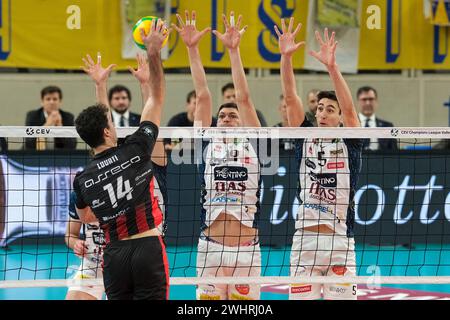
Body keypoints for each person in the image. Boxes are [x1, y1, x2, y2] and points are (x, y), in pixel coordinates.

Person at [73, 20, 169, 300]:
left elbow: (87, 217)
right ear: (107, 130)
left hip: (113, 255)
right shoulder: (136, 149)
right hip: (147, 247)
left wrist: (100, 85)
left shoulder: (83, 179)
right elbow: (158, 98)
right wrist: (153, 52)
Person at [173, 10, 262, 300]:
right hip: (210, 248)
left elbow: (244, 97)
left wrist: (233, 52)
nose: (225, 117)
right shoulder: (206, 141)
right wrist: (192, 49)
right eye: (221, 115)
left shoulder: (255, 142)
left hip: (246, 251)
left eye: (232, 115)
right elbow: (202, 95)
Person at [275, 18, 361, 300]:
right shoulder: (305, 137)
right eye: (320, 109)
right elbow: (290, 98)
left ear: (338, 118)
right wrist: (285, 57)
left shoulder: (350, 141)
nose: (322, 114)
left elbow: (350, 109)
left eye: (329, 110)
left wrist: (332, 67)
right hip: (305, 242)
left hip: (339, 242)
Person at [65, 191, 105, 300]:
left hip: (122, 265)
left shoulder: (122, 187)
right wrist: (76, 244)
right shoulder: (79, 194)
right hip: (92, 265)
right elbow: (70, 235)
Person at [24, 86, 77, 150]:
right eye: (48, 99)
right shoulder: (32, 116)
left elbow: (72, 145)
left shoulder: (68, 117)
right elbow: (28, 143)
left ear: (60, 101)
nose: (51, 102)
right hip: (34, 156)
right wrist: (46, 125)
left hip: (58, 156)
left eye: (55, 99)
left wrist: (60, 127)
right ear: (42, 101)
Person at [357, 86, 398, 150]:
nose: (368, 103)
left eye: (371, 99)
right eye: (364, 99)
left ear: (376, 101)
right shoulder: (349, 125)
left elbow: (394, 154)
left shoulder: (388, 127)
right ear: (358, 102)